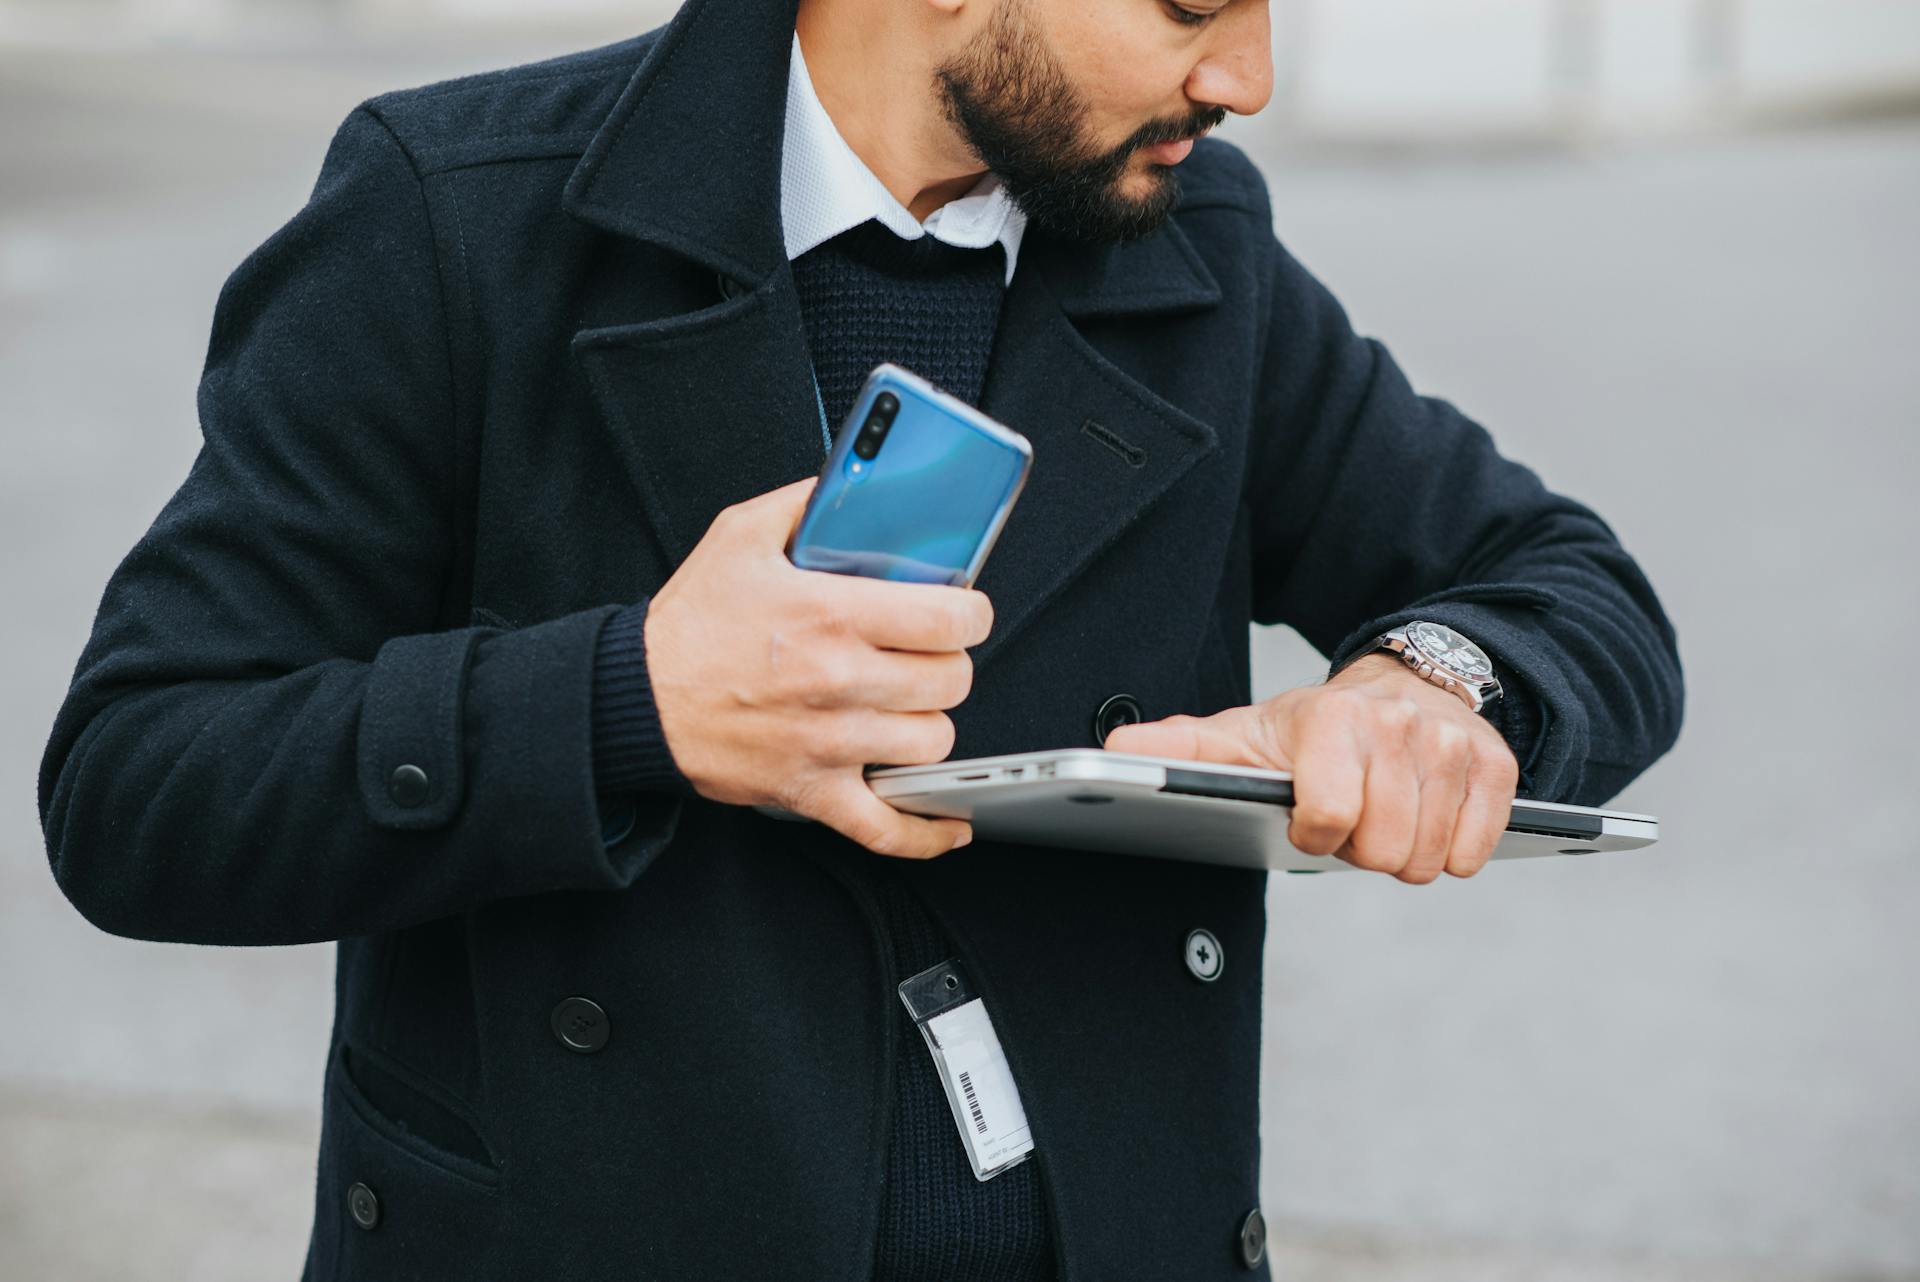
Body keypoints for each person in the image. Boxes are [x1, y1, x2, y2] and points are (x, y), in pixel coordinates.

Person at [36, 0, 1683, 1275]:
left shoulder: (1197, 249)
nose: (1250, 74)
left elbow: (1567, 580)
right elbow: (137, 781)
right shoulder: (454, 218)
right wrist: (626, 701)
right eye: (1191, 2)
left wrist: (1431, 686)